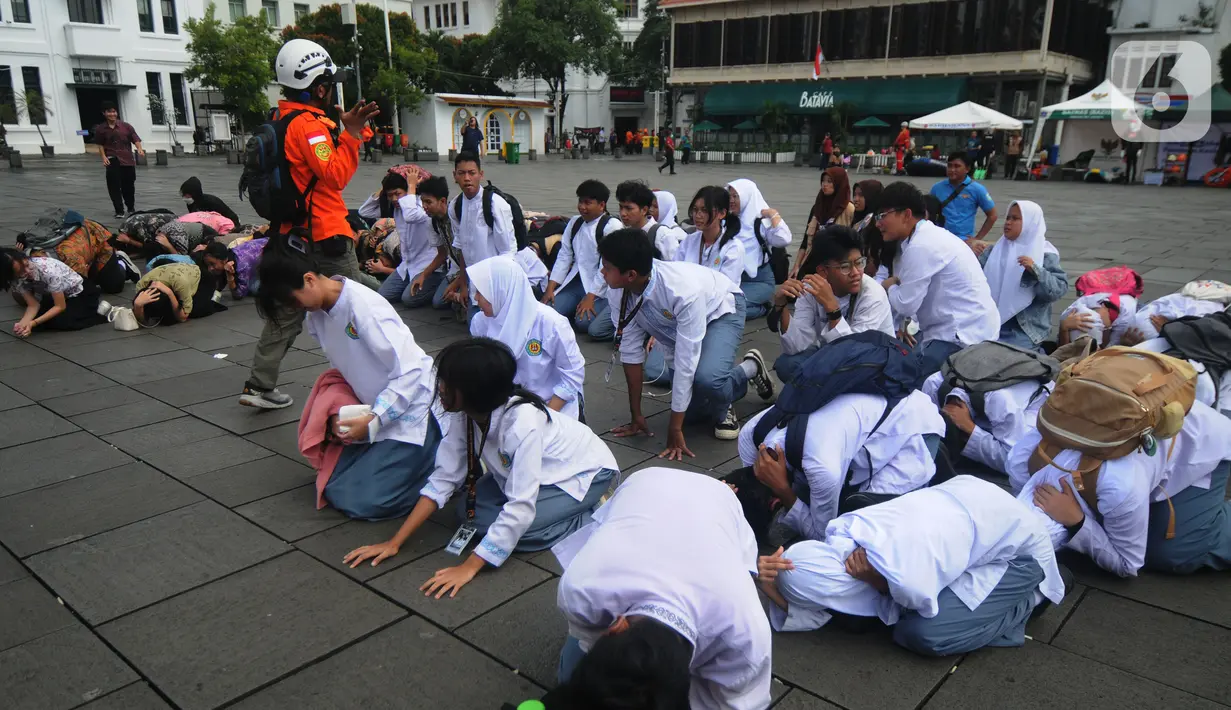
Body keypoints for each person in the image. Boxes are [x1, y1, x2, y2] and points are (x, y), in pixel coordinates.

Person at [343, 338, 617, 593]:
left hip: (582, 473)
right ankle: (553, 513)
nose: (439, 388)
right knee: (467, 513)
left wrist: (469, 567)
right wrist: (394, 543)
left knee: (521, 532)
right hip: (528, 474)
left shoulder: (523, 426)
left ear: (474, 391)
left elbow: (521, 506)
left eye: (448, 383)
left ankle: (589, 511)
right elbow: (445, 478)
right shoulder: (466, 414)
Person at [757, 476, 1065, 657]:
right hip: (976, 497)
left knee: (922, 633)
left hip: (1023, 552)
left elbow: (913, 600)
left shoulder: (905, 578)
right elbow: (825, 589)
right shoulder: (843, 529)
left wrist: (880, 584)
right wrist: (773, 582)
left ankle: (1032, 598)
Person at [551, 467, 772, 710]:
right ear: (616, 626)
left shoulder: (745, 638)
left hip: (720, 500)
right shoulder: (582, 589)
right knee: (575, 679)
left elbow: (737, 705)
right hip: (644, 483)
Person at [239, 38, 380, 410]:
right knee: (359, 301)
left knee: (287, 310)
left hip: (292, 235)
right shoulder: (309, 126)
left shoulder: (282, 119)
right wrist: (350, 135)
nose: (332, 90)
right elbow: (333, 174)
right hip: (325, 234)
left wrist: (348, 130)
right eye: (330, 84)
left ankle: (258, 385)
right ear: (319, 88)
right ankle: (381, 374)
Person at [253, 244, 442, 521]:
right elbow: (342, 370)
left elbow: (411, 372)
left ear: (309, 279)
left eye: (294, 300)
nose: (296, 308)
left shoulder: (363, 307)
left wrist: (376, 418)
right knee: (335, 480)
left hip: (415, 411)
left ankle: (444, 469)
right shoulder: (316, 316)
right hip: (373, 407)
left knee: (363, 501)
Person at [1012, 399, 1231, 576]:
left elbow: (1128, 564)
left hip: (1203, 442)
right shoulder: (1020, 461)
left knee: (1173, 553)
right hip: (1159, 416)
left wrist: (1078, 523)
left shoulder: (1119, 487)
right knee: (1124, 523)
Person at [602, 228, 773, 451]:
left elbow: (686, 360)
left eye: (607, 268)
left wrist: (675, 429)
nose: (602, 273)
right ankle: (747, 370)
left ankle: (727, 391)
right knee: (692, 411)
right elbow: (630, 351)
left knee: (707, 379)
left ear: (631, 274)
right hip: (678, 325)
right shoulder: (618, 290)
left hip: (721, 309)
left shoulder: (681, 290)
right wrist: (637, 416)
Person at [738, 384, 944, 543]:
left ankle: (935, 469)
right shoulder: (750, 435)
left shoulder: (820, 466)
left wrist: (785, 492)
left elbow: (824, 536)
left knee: (860, 522)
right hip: (881, 405)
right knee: (817, 498)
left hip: (915, 426)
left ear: (775, 504)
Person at [877, 182, 1000, 378]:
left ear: (906, 215)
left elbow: (906, 304)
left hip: (960, 336)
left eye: (883, 216)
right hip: (969, 327)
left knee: (902, 382)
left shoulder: (922, 245)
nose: (878, 223)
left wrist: (889, 285)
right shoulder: (927, 236)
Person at [770, 226, 895, 383]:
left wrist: (832, 309)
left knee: (824, 376)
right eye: (845, 267)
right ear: (823, 271)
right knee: (788, 364)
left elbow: (854, 354)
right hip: (833, 359)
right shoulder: (810, 289)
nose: (856, 272)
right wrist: (782, 307)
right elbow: (796, 346)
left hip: (871, 366)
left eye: (859, 263)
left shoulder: (872, 294)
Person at [467, 256, 586, 420]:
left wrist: (547, 416)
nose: (476, 298)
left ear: (501, 290)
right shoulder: (480, 322)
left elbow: (573, 373)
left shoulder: (550, 322)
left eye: (481, 292)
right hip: (507, 406)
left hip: (552, 406)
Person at [922, 369, 1053, 477]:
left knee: (1027, 451)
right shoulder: (933, 384)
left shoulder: (1000, 401)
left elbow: (1015, 463)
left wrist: (971, 429)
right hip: (994, 377)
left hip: (1038, 397)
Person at [979, 200, 1068, 351]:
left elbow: (1058, 290)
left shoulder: (1044, 254)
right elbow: (974, 282)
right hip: (989, 323)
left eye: (1015, 219)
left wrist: (1036, 271)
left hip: (1024, 328)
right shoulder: (994, 251)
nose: (1008, 223)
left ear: (1030, 223)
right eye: (1008, 218)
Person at [542, 179, 620, 340]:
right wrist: (550, 288)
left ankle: (606, 313)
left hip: (602, 287)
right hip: (576, 282)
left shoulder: (612, 226)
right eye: (580, 202)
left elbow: (606, 267)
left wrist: (591, 297)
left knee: (583, 323)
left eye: (588, 203)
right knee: (547, 313)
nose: (582, 207)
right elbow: (564, 256)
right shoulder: (575, 223)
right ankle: (574, 307)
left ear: (602, 205)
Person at [440, 151, 517, 312]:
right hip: (473, 283)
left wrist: (496, 290)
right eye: (461, 173)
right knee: (475, 327)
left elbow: (507, 253)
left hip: (497, 282)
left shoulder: (496, 205)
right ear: (455, 176)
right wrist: (464, 285)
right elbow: (461, 248)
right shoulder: (455, 206)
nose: (467, 178)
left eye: (471, 173)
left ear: (480, 175)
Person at [361, 173, 452, 308]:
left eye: (397, 193)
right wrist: (384, 187)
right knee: (384, 294)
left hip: (428, 265)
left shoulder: (422, 207)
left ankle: (437, 283)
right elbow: (364, 211)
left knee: (408, 299)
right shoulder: (397, 209)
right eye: (390, 195)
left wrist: (411, 185)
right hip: (407, 265)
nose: (394, 199)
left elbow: (410, 216)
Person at [16, 216, 135, 295]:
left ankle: (121, 261)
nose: (26, 272)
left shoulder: (69, 258)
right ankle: (93, 269)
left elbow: (82, 288)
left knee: (113, 286)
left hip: (94, 235)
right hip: (77, 248)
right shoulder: (25, 256)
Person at [726, 179, 791, 320]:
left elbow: (784, 238)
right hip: (735, 280)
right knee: (719, 304)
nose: (731, 200)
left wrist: (773, 214)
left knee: (729, 308)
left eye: (736, 196)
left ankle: (763, 309)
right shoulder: (728, 221)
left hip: (760, 281)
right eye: (729, 196)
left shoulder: (760, 221)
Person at [2, 248, 105, 336]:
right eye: (21, 272)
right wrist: (23, 323)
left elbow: (60, 306)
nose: (27, 271)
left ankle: (100, 313)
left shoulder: (48, 270)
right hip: (57, 294)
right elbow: (33, 305)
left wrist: (33, 323)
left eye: (27, 265)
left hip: (80, 292)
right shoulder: (16, 279)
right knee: (41, 322)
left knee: (62, 321)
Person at [672, 186, 745, 287]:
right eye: (695, 209)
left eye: (705, 210)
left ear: (722, 213)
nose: (698, 215)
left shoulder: (733, 247)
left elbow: (725, 287)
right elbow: (674, 273)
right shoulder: (689, 240)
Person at [794, 166, 853, 279]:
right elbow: (805, 242)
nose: (824, 184)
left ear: (839, 183)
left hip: (835, 266)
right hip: (811, 261)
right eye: (823, 181)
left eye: (829, 181)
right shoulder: (817, 207)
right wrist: (796, 266)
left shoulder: (848, 209)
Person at [929, 153, 998, 244]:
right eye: (949, 166)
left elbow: (992, 215)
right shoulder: (937, 188)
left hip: (963, 241)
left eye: (957, 166)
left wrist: (977, 238)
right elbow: (928, 212)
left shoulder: (977, 189)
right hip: (939, 239)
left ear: (967, 169)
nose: (952, 169)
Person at [94, 101, 145, 218]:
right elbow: (100, 144)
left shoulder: (126, 126)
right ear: (104, 113)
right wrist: (103, 157)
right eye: (109, 112)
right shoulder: (101, 129)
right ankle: (119, 210)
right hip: (112, 159)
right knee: (114, 186)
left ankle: (130, 207)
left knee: (129, 186)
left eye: (114, 111)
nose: (112, 114)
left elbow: (135, 138)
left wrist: (140, 149)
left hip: (127, 159)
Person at [617, 180, 678, 261]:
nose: (623, 213)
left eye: (629, 208)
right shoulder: (621, 232)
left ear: (644, 210)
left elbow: (674, 266)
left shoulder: (662, 235)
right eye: (621, 207)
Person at [132, 261, 200, 326]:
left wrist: (170, 293)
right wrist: (138, 305)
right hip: (170, 272)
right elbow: (141, 320)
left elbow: (183, 318)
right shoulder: (141, 285)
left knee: (197, 311)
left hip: (195, 274)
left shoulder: (181, 284)